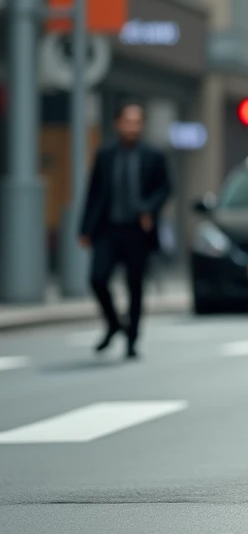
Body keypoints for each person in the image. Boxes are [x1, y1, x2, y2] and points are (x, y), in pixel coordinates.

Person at [79, 101, 172, 360]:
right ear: (118, 123)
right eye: (128, 121)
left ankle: (132, 340)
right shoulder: (106, 155)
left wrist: (148, 209)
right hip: (107, 229)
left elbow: (165, 188)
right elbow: (94, 192)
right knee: (97, 279)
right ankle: (113, 323)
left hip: (137, 231)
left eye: (137, 122)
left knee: (135, 286)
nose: (132, 127)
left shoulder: (153, 156)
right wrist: (85, 228)